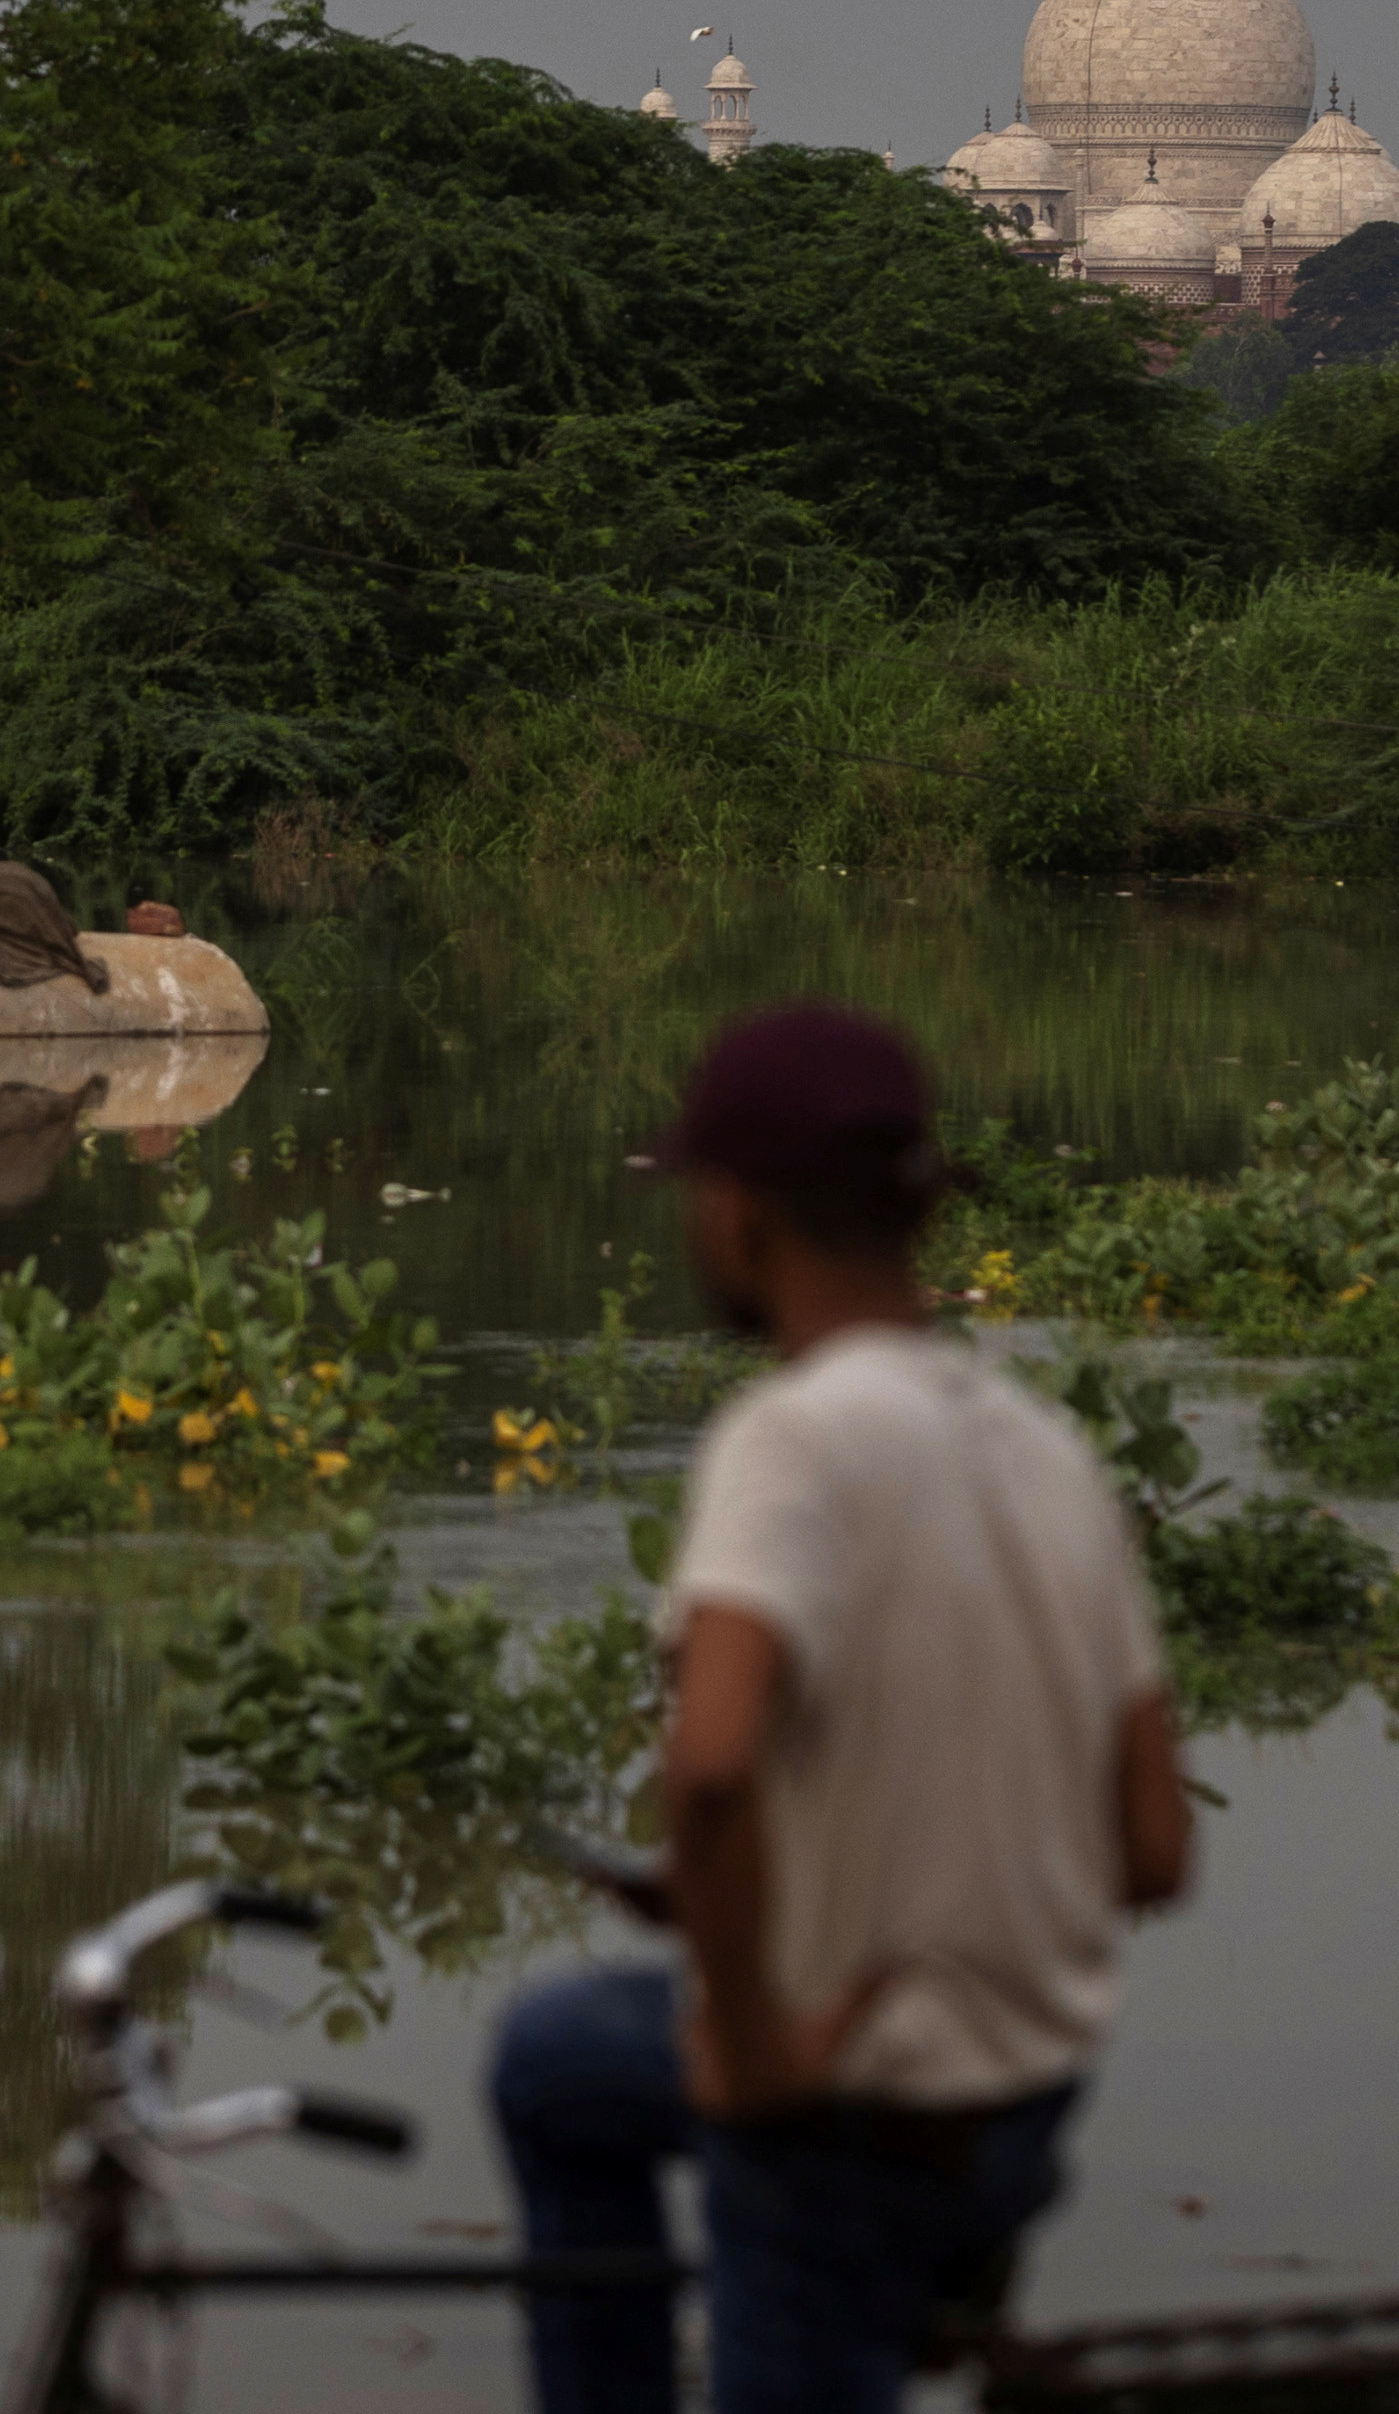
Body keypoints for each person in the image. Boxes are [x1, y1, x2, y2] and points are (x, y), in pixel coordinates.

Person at [488, 1002, 1195, 2414]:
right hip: (1033, 2103)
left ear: (740, 1213)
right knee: (556, 2063)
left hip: (854, 2115)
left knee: (570, 2078)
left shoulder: (792, 1436)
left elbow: (708, 1772)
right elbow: (1157, 1853)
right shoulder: (1046, 1451)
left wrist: (753, 2050)